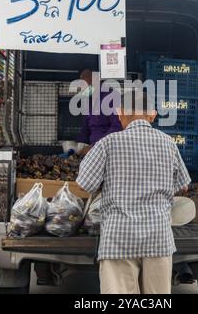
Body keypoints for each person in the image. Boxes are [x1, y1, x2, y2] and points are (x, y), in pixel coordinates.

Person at [76, 91, 191, 294]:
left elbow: (85, 184)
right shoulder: (168, 143)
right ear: (153, 115)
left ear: (120, 114)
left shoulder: (107, 144)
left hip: (119, 238)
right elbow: (183, 186)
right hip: (158, 238)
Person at [75, 69, 122, 156]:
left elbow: (117, 127)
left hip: (109, 150)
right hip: (93, 151)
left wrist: (94, 146)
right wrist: (78, 145)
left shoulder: (111, 97)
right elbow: (86, 128)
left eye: (84, 79)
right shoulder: (88, 101)